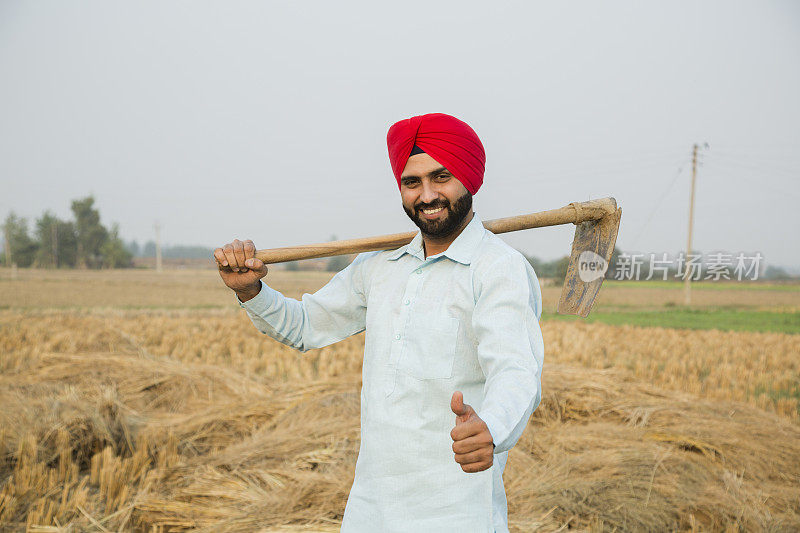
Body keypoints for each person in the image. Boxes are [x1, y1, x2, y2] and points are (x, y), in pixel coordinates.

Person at [214, 112, 544, 533]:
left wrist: (491, 429)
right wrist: (250, 292)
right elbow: (304, 325)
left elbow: (517, 371)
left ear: (468, 179)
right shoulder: (379, 267)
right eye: (412, 183)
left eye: (440, 178)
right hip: (371, 510)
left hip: (457, 512)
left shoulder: (498, 269)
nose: (426, 196)